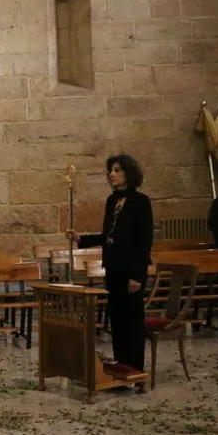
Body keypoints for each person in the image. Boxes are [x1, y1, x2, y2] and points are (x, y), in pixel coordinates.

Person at [69, 154, 154, 377]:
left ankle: (134, 370)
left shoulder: (141, 202)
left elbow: (144, 242)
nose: (112, 174)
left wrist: (137, 275)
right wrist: (81, 239)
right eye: (111, 171)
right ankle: (120, 367)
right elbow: (107, 235)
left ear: (129, 174)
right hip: (114, 268)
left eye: (117, 170)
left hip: (131, 272)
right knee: (116, 319)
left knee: (132, 321)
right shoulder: (112, 201)